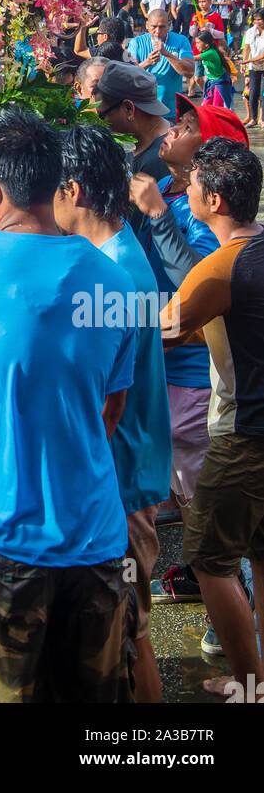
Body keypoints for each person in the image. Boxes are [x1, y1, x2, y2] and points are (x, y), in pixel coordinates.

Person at [0, 107, 136, 704]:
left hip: (2, 532)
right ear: (54, 181)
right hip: (96, 535)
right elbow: (110, 413)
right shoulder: (115, 281)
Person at [54, 125, 171, 704]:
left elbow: (105, 402)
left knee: (129, 635)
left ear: (73, 190)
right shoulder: (119, 253)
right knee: (127, 632)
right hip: (132, 468)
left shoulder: (113, 274)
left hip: (121, 479)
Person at [129, 101, 249, 641]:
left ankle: (233, 626)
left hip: (210, 395)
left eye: (183, 127)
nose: (170, 132)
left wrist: (156, 217)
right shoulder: (185, 200)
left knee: (208, 531)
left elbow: (186, 298)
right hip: (191, 383)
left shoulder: (218, 242)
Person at [161, 139, 264, 699]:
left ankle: (249, 685)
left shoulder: (221, 264)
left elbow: (166, 328)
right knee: (262, 554)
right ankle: (259, 682)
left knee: (207, 559)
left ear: (215, 200)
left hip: (244, 433)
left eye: (193, 185)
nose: (185, 190)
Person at [127, 10, 194, 114]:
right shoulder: (135, 43)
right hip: (144, 111)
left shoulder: (181, 40)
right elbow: (128, 75)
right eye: (154, 27)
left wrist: (167, 54)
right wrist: (147, 62)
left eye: (162, 27)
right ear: (147, 25)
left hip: (171, 109)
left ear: (168, 25)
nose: (157, 31)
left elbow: (189, 72)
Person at [192, 27, 234, 109]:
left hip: (219, 82)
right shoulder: (206, 51)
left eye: (198, 43)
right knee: (205, 105)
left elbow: (193, 58)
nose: (196, 45)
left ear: (206, 44)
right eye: (196, 43)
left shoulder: (210, 52)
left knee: (217, 106)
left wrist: (175, 56)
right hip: (211, 81)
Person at [241, 9, 264, 129]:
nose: (257, 22)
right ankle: (253, 118)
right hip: (253, 66)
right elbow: (247, 48)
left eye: (259, 19)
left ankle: (262, 119)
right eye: (255, 19)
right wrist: (244, 63)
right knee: (253, 92)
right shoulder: (250, 32)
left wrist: (248, 60)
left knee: (263, 93)